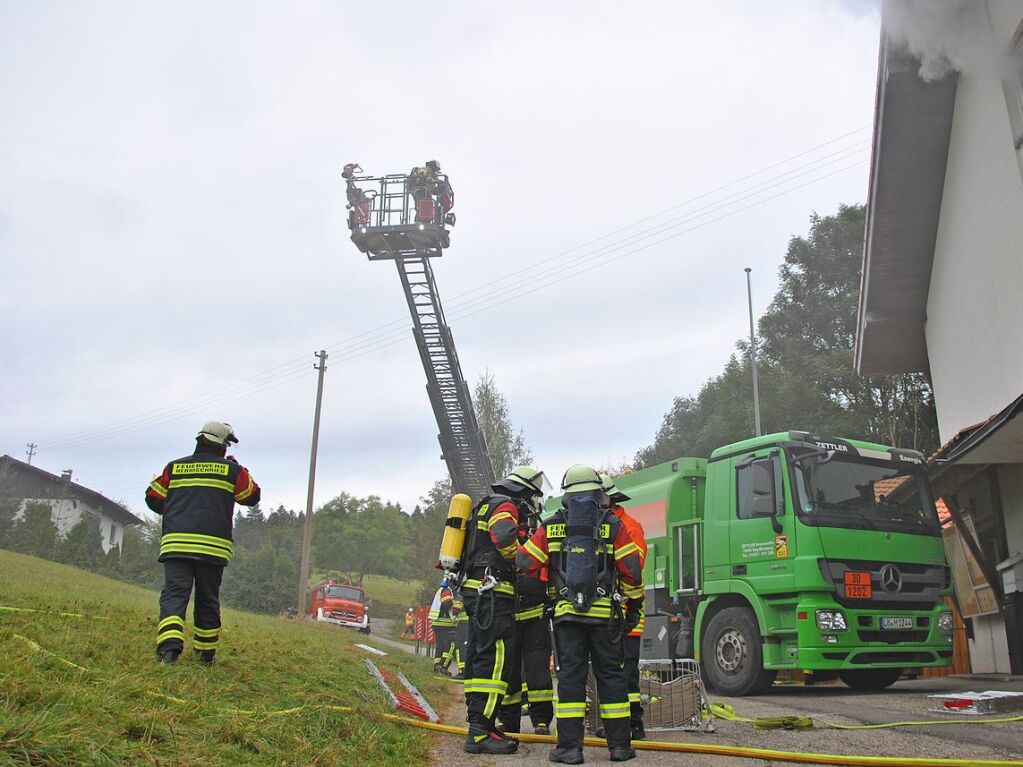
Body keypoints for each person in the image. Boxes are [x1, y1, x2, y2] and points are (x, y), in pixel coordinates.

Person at [517, 464, 644, 764]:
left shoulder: (553, 525)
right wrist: (633, 605)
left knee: (571, 678)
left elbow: (524, 562)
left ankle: (570, 749)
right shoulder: (613, 524)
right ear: (598, 493)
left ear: (567, 496)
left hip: (567, 616)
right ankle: (620, 747)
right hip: (604, 617)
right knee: (611, 677)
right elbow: (633, 571)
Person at [145, 421, 261, 665]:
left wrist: (180, 507)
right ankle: (205, 656)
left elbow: (153, 498)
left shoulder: (174, 468)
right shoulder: (232, 471)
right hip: (212, 549)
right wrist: (239, 468)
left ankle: (169, 651)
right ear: (222, 444)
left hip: (177, 545)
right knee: (207, 599)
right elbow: (251, 496)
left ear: (200, 440)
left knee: (175, 596)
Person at [459, 465, 549, 755]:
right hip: (492, 593)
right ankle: (479, 733)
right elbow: (503, 537)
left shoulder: (484, 506)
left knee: (478, 656)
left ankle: (481, 724)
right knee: (494, 658)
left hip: (478, 591)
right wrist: (520, 560)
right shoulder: (505, 505)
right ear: (523, 492)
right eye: (532, 497)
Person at [496, 504, 554, 736]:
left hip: (535, 613)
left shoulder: (538, 537)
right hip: (509, 613)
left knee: (538, 669)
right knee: (509, 670)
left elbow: (551, 568)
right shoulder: (504, 538)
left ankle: (541, 720)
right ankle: (509, 722)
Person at [600, 474, 649, 741]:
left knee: (626, 670)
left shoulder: (628, 527)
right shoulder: (608, 524)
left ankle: (634, 724)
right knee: (612, 670)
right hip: (609, 612)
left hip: (627, 612)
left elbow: (633, 568)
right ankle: (619, 725)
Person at [429, 580, 456, 675]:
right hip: (445, 623)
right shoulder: (448, 590)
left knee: (440, 646)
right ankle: (443, 666)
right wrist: (457, 603)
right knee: (451, 645)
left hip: (438, 623)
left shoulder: (443, 589)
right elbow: (447, 603)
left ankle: (436, 667)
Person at [452, 587, 469, 679]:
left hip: (463, 624)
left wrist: (453, 613)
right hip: (473, 624)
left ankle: (462, 671)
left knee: (460, 647)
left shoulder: (461, 593)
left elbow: (456, 609)